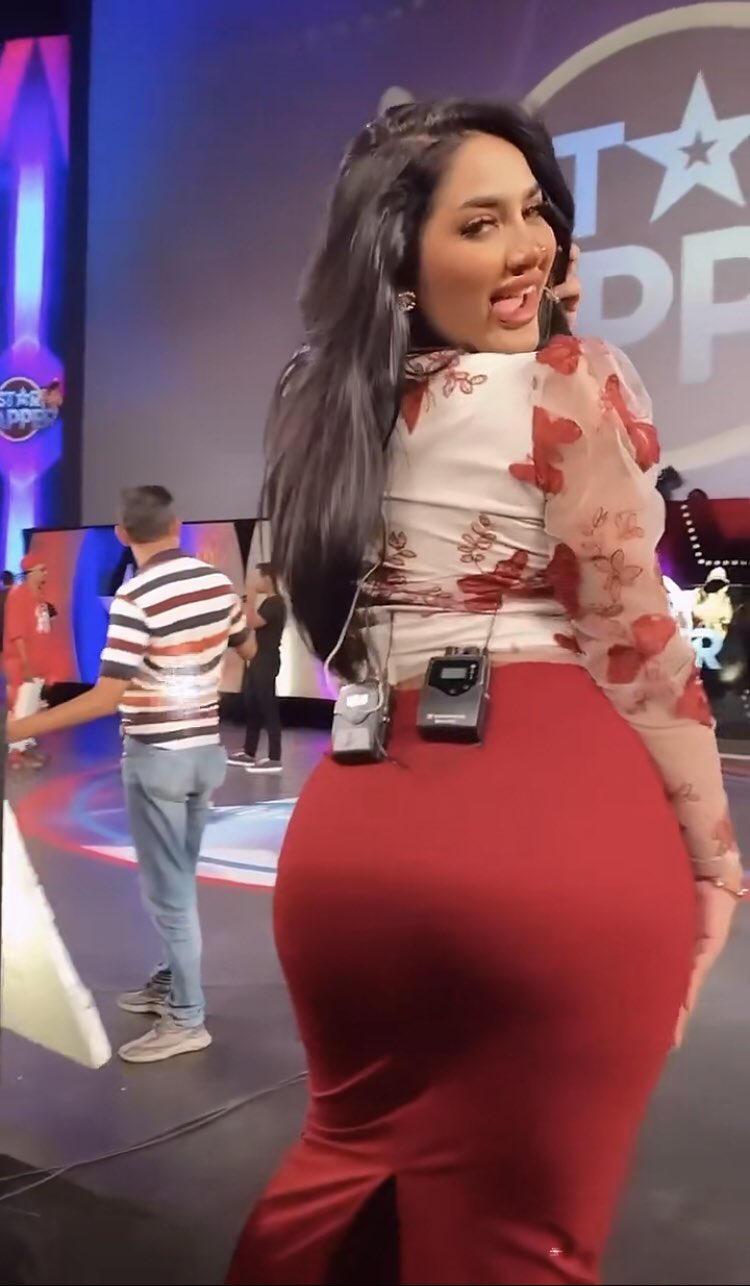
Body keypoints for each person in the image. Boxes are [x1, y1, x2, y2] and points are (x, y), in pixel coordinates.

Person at [227, 100, 743, 1286]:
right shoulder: (573, 386)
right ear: (400, 262)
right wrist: (714, 859)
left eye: (535, 213)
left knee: (347, 1194)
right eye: (481, 223)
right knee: (521, 1240)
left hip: (348, 846)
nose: (529, 247)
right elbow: (639, 641)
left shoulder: (320, 404)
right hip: (546, 837)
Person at [7, 486, 256, 1063]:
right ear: (177, 524)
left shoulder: (134, 596)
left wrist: (16, 729)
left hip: (158, 758)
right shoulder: (218, 584)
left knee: (168, 892)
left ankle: (188, 1018)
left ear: (122, 534)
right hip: (203, 753)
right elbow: (245, 649)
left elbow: (107, 696)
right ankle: (171, 979)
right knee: (179, 878)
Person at [229, 563, 286, 772]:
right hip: (258, 658)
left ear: (268, 578)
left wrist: (251, 595)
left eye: (258, 577)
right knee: (252, 705)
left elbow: (253, 621)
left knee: (267, 706)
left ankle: (275, 757)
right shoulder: (269, 602)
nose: (255, 581)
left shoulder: (275, 603)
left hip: (267, 659)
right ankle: (249, 752)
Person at [3, 554, 55, 769]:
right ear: (30, 572)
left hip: (39, 663)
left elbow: (43, 629)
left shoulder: (40, 597)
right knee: (22, 706)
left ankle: (26, 746)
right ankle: (16, 753)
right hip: (22, 663)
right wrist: (25, 663)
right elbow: (17, 634)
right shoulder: (18, 595)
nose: (45, 573)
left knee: (32, 706)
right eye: (42, 569)